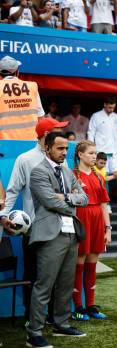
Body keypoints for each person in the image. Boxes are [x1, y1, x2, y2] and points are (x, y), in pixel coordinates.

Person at [0, 119, 68, 322]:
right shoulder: (25, 159)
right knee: (33, 276)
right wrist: (4, 216)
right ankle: (32, 317)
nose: (60, 134)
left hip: (60, 228)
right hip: (34, 230)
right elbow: (12, 191)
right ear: (46, 134)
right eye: (57, 130)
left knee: (57, 276)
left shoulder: (62, 158)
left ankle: (54, 319)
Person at [26, 132, 88, 348]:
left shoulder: (68, 172)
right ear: (48, 149)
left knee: (65, 284)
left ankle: (61, 324)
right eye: (60, 148)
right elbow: (50, 202)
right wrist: (70, 201)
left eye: (66, 148)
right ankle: (34, 333)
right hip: (50, 234)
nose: (64, 152)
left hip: (71, 233)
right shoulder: (38, 172)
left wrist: (67, 197)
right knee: (44, 285)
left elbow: (84, 198)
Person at [71, 141, 111, 321]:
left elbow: (104, 205)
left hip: (97, 222)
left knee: (92, 262)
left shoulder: (99, 177)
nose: (95, 156)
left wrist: (107, 229)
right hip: (81, 220)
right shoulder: (72, 175)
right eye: (91, 153)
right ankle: (78, 307)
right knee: (78, 262)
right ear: (80, 154)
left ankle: (91, 306)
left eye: (96, 153)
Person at [0, 56, 44, 140]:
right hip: (30, 142)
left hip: (4, 144)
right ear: (17, 72)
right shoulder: (32, 86)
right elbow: (40, 118)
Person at [87, 97, 117, 179]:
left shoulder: (116, 117)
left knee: (115, 175)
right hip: (100, 150)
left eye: (113, 107)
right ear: (105, 105)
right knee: (99, 175)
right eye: (110, 107)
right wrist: (91, 149)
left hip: (113, 151)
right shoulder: (96, 116)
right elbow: (91, 133)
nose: (111, 109)